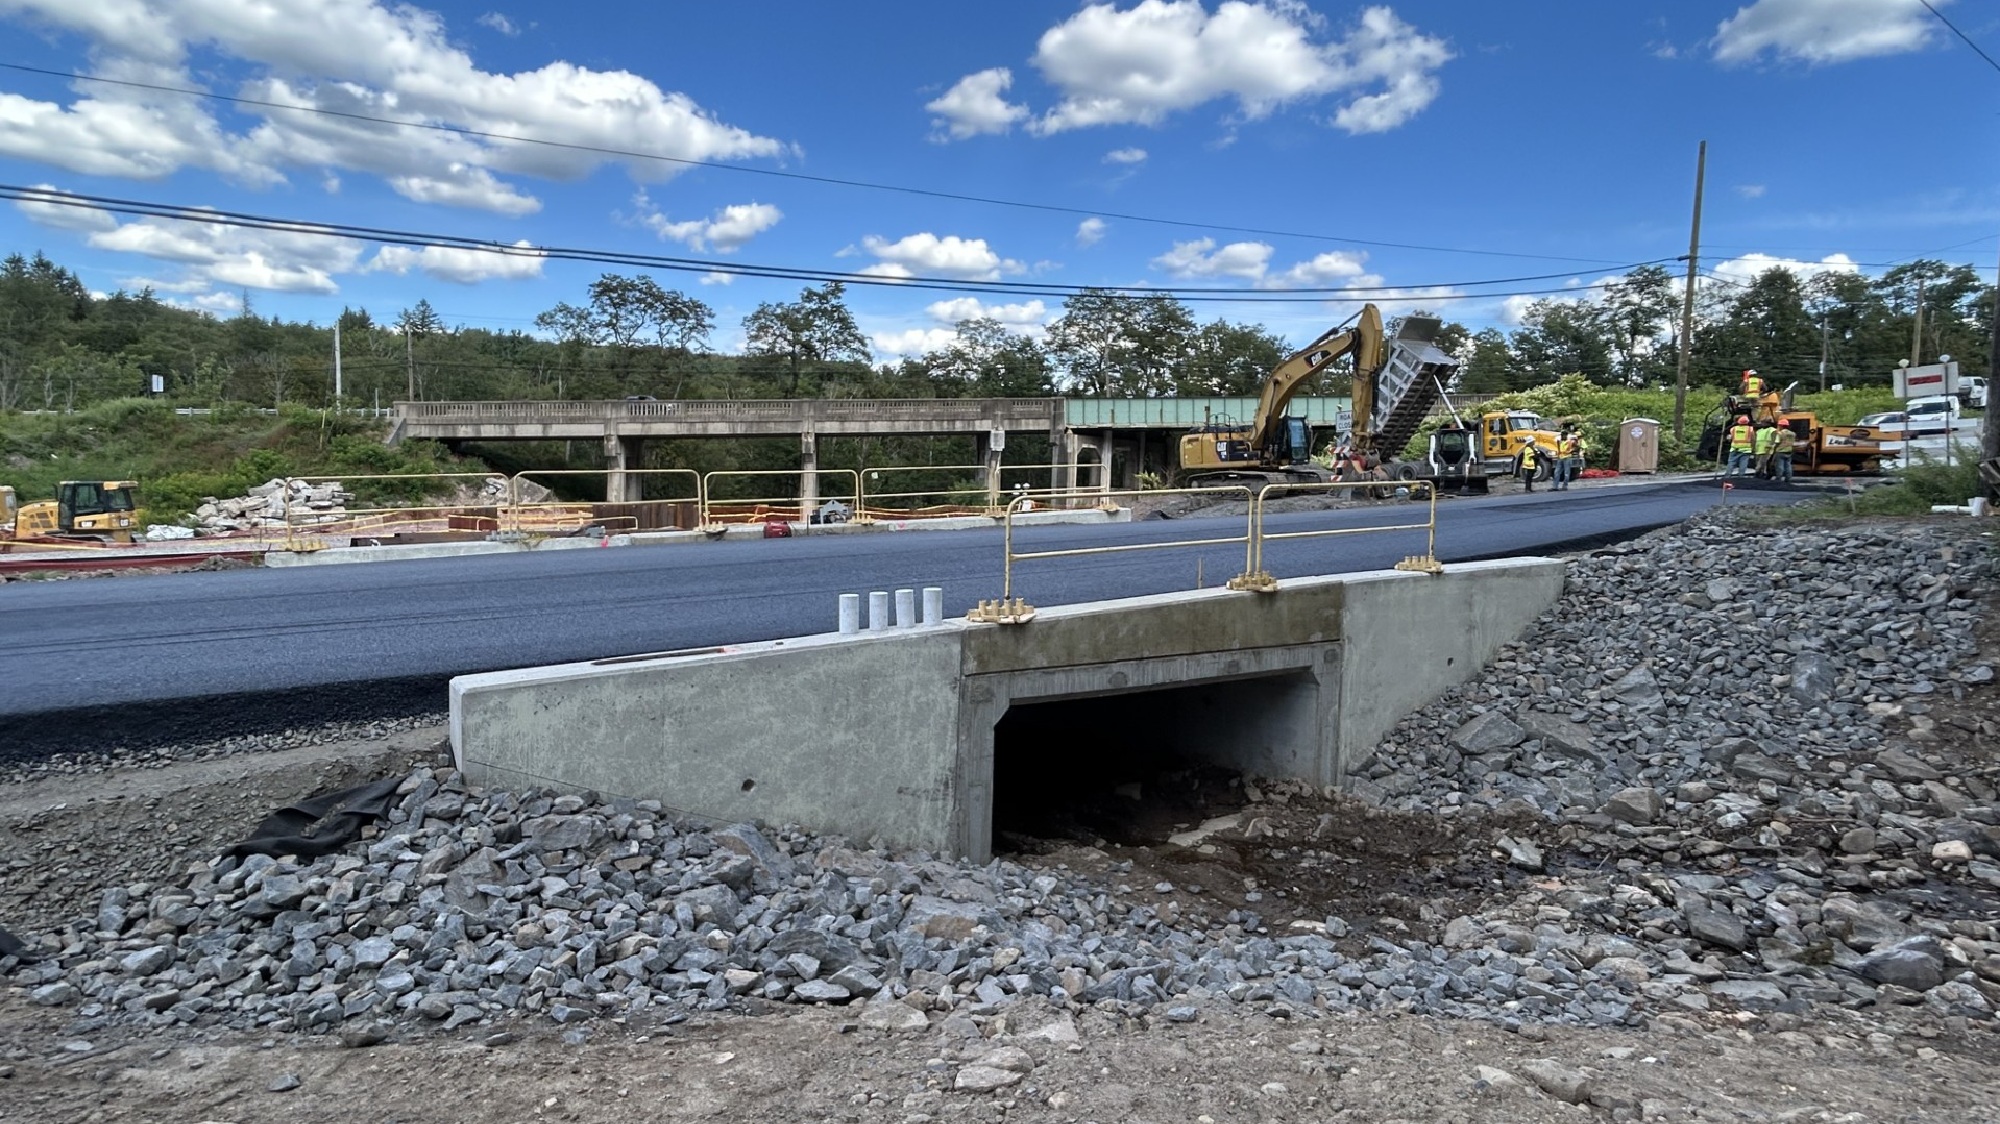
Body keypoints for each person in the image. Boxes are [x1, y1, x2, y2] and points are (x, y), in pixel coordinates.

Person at [1553, 424, 1583, 491]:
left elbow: (1578, 447)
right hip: (1560, 458)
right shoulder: (1559, 441)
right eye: (1562, 435)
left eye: (1563, 435)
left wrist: (1572, 450)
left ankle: (1564, 486)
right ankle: (1555, 487)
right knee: (1556, 472)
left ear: (1566, 435)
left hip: (1567, 458)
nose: (1562, 436)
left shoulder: (1569, 442)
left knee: (1566, 473)